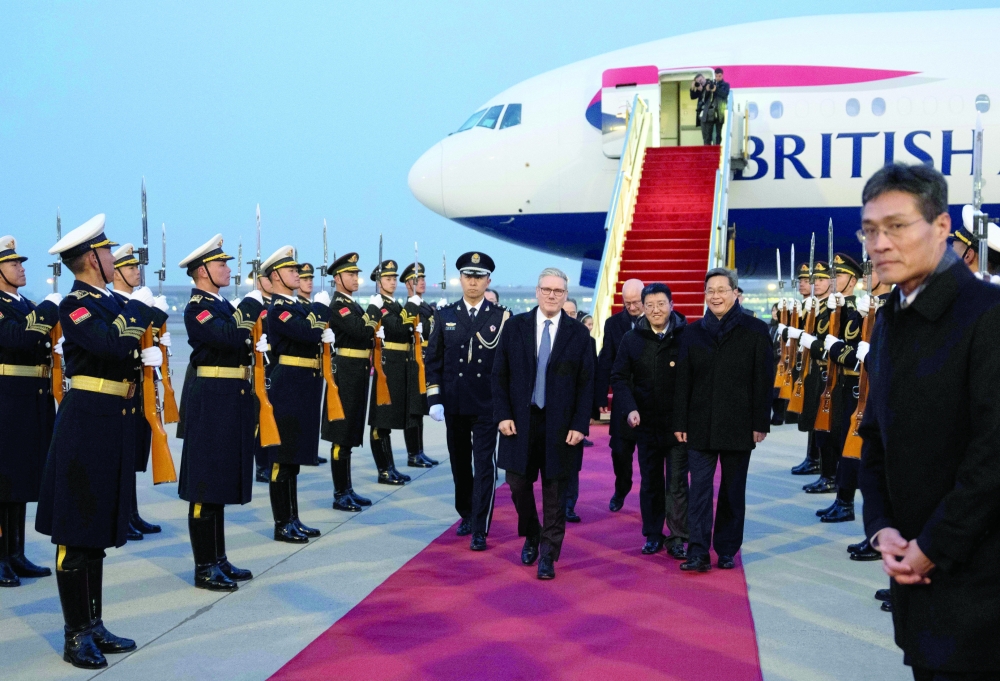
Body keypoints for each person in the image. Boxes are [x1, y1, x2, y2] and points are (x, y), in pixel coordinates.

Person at [857, 162, 1000, 680]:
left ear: (941, 227)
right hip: (914, 578)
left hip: (979, 586)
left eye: (897, 226)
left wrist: (932, 548)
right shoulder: (893, 318)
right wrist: (881, 528)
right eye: (870, 228)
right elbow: (875, 436)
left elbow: (992, 458)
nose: (879, 242)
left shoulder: (988, 313)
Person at [36, 214, 160, 669]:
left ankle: (95, 622)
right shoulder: (76, 304)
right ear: (92, 258)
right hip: (85, 422)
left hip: (113, 420)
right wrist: (136, 310)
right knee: (75, 529)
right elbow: (109, 345)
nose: (116, 259)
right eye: (108, 252)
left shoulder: (109, 301)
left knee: (99, 531)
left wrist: (134, 314)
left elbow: (136, 332)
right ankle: (75, 635)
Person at [493, 267, 594, 580]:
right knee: (517, 484)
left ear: (565, 296)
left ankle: (548, 554)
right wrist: (503, 415)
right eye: (547, 289)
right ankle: (532, 534)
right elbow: (500, 375)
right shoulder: (515, 328)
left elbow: (586, 384)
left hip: (561, 426)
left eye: (558, 291)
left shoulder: (579, 334)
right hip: (519, 422)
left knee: (555, 491)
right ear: (537, 292)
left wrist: (580, 425)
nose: (552, 295)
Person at [177, 235, 265, 591]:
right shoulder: (197, 307)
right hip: (210, 401)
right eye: (221, 264)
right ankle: (203, 566)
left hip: (228, 398)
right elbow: (229, 337)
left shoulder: (222, 304)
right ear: (202, 271)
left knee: (220, 482)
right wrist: (249, 305)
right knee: (204, 485)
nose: (228, 269)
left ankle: (218, 558)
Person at [673, 267, 772, 572]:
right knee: (699, 489)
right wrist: (680, 422)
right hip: (699, 425)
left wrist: (760, 423)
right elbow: (682, 382)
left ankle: (727, 548)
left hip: (739, 424)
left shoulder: (756, 330)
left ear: (735, 293)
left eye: (721, 290)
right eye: (710, 291)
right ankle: (698, 551)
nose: (715, 296)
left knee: (732, 490)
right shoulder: (691, 332)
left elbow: (763, 380)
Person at [425, 251, 509, 550]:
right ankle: (467, 514)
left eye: (479, 277)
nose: (473, 282)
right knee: (460, 464)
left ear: (488, 280)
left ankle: (480, 526)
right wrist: (434, 398)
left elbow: (505, 366)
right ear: (460, 279)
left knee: (485, 464)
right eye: (468, 276)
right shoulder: (444, 315)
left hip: (487, 404)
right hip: (456, 403)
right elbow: (432, 360)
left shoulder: (501, 317)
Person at [611, 283, 688, 559]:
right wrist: (629, 409)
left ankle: (678, 536)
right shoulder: (632, 339)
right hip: (644, 424)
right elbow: (618, 377)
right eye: (650, 305)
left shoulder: (686, 336)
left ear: (671, 304)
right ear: (642, 308)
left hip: (679, 426)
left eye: (661, 304)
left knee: (677, 482)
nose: (656, 310)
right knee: (651, 482)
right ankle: (653, 534)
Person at [0, 235, 58, 588]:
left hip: (30, 399)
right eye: (12, 264)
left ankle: (16, 553)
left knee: (20, 480)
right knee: (3, 481)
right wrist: (50, 311)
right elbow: (15, 339)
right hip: (7, 399)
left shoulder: (24, 303)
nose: (21, 268)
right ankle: (1, 557)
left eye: (21, 263)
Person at [262, 246, 329, 544]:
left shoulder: (298, 306)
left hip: (303, 384)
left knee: (294, 459)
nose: (298, 275)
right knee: (282, 458)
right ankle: (281, 523)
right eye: (291, 271)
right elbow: (308, 332)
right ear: (275, 275)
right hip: (287, 385)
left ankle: (293, 518)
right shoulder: (279, 309)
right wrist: (322, 313)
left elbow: (311, 328)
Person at [109, 244, 169, 541]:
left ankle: (131, 514)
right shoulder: (116, 304)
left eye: (136, 266)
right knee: (119, 458)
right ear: (115, 271)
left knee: (131, 456)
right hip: (121, 391)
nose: (136, 271)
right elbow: (123, 339)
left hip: (138, 389)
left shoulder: (133, 301)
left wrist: (158, 326)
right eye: (130, 267)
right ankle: (123, 517)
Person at [368, 260, 422, 485]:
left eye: (393, 278)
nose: (392, 282)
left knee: (389, 419)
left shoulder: (394, 305)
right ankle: (384, 470)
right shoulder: (380, 305)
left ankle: (390, 466)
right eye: (388, 278)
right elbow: (399, 328)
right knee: (381, 420)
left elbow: (405, 327)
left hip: (400, 363)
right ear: (379, 282)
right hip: (388, 364)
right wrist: (412, 304)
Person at [596, 278, 644, 511]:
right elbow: (606, 359)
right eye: (628, 303)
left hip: (651, 401)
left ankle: (653, 501)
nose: (633, 308)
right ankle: (622, 487)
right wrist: (601, 394)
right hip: (624, 399)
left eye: (636, 302)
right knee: (619, 452)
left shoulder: (660, 319)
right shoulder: (614, 324)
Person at [401, 261, 438, 469]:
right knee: (413, 410)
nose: (422, 282)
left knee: (420, 408)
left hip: (425, 358)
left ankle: (419, 451)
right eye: (417, 279)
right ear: (408, 284)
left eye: (423, 278)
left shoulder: (425, 306)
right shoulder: (410, 305)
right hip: (414, 360)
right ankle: (413, 454)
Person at [297, 262, 327, 466]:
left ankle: (310, 451)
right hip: (300, 366)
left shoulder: (310, 304)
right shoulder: (298, 307)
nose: (308, 282)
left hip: (316, 365)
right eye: (304, 279)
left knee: (312, 413)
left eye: (310, 279)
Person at [254, 272, 275, 483]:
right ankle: (261, 465)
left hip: (276, 363)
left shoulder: (274, 304)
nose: (271, 283)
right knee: (261, 417)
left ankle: (271, 460)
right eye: (267, 279)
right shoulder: (256, 305)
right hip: (264, 365)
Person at [691, 67, 730, 145]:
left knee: (718, 134)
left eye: (719, 76)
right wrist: (706, 90)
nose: (718, 78)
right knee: (708, 135)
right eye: (716, 76)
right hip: (710, 113)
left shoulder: (726, 85)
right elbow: (703, 98)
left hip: (719, 112)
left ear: (722, 75)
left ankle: (718, 151)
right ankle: (708, 152)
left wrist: (716, 89)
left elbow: (724, 94)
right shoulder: (711, 83)